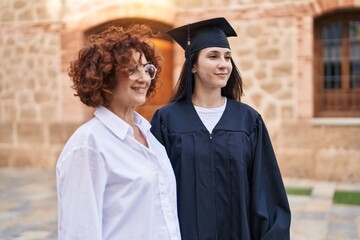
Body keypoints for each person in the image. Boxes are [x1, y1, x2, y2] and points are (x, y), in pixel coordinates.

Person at [150, 17, 291, 240]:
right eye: (213, 56)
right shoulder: (167, 120)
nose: (224, 64)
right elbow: (154, 190)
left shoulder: (248, 120)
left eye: (227, 57)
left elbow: (267, 191)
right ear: (193, 65)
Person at [56, 25, 181, 240]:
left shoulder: (150, 138)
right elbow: (79, 232)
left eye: (147, 69)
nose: (143, 78)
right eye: (132, 69)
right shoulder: (88, 145)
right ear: (106, 75)